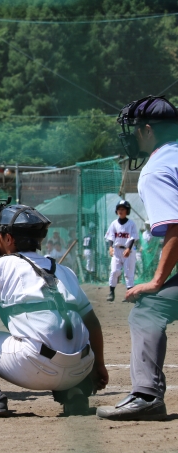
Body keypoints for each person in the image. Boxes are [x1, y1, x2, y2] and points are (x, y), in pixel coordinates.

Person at [0, 200, 108, 417]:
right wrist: (99, 366)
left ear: (8, 238)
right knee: (61, 335)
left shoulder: (1, 265)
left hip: (34, 367)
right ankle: (75, 395)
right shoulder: (64, 270)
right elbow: (93, 324)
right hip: (81, 369)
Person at [97, 95, 178, 421]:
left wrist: (157, 281)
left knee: (148, 310)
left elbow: (176, 227)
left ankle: (146, 396)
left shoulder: (157, 169)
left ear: (147, 130)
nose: (130, 135)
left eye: (134, 128)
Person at [104, 200, 138, 302]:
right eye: (119, 209)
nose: (120, 211)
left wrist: (129, 248)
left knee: (128, 273)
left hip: (129, 251)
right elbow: (110, 236)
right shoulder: (114, 223)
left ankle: (130, 295)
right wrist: (110, 247)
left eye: (123, 209)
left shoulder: (131, 224)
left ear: (127, 211)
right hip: (117, 250)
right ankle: (111, 293)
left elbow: (133, 237)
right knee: (114, 271)